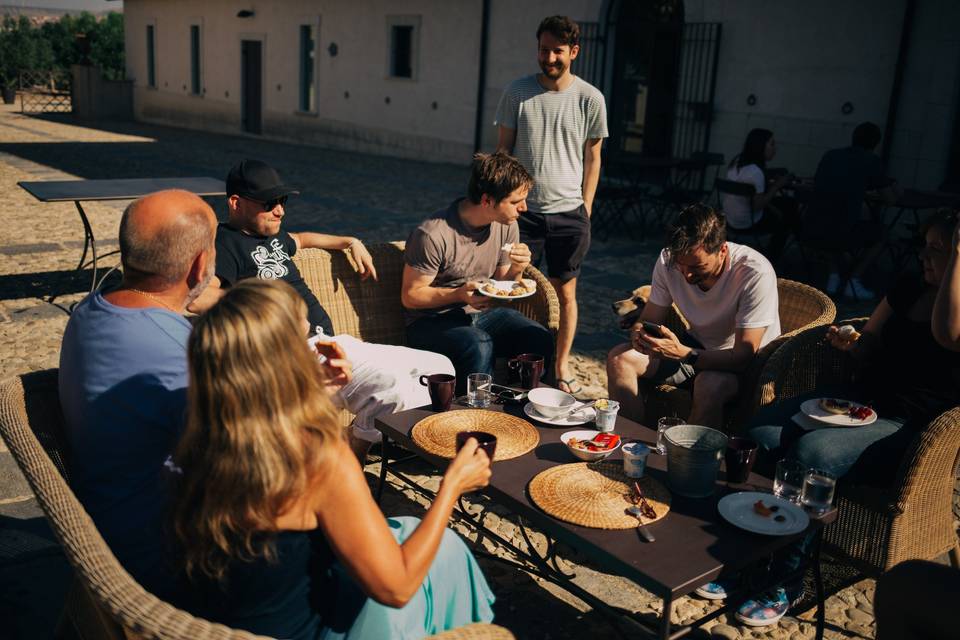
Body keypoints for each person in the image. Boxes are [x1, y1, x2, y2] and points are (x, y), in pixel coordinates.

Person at [172, 280, 495, 639]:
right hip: (318, 628)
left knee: (408, 530)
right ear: (285, 360)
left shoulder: (197, 429)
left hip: (239, 616)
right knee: (446, 551)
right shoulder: (316, 453)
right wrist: (451, 486)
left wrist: (316, 392)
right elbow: (397, 588)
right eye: (302, 341)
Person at [720, 209, 960, 627]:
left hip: (910, 428)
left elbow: (949, 335)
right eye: (926, 245)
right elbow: (869, 343)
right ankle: (745, 552)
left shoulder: (953, 313)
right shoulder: (907, 288)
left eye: (938, 249)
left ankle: (787, 578)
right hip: (860, 401)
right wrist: (851, 345)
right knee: (759, 432)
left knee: (815, 454)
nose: (924, 255)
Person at [189, 159, 455, 459]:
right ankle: (355, 449)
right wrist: (267, 307)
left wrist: (349, 241)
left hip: (332, 343)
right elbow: (199, 298)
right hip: (296, 354)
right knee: (391, 390)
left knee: (441, 367)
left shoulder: (273, 234)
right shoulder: (225, 243)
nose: (280, 210)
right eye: (269, 203)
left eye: (282, 200)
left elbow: (302, 239)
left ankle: (359, 434)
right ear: (236, 203)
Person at [58, 190, 218, 600]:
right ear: (201, 264)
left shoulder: (91, 309)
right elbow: (253, 470)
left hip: (103, 524)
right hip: (169, 560)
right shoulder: (182, 356)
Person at [495, 15, 608, 396]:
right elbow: (503, 153)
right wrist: (501, 205)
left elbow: (594, 159)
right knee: (511, 287)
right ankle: (512, 364)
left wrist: (587, 208)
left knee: (566, 294)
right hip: (523, 214)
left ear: (573, 52)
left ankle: (559, 367)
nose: (549, 57)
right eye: (544, 50)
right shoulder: (516, 93)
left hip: (569, 214)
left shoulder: (591, 98)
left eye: (557, 51)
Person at [606, 203, 781, 429]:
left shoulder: (754, 273)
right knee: (620, 359)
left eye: (697, 267)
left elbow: (743, 357)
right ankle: (630, 446)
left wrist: (685, 354)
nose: (687, 275)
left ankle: (685, 459)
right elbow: (650, 319)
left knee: (709, 385)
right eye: (681, 265)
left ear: (723, 251)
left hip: (744, 365)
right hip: (695, 348)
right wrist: (641, 333)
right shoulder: (668, 260)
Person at [402, 152, 555, 393]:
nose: (524, 208)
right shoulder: (432, 234)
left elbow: (504, 284)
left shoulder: (507, 225)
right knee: (479, 344)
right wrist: (458, 295)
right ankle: (473, 414)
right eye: (516, 202)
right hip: (430, 322)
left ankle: (523, 403)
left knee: (538, 336)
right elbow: (411, 296)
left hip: (480, 315)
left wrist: (517, 269)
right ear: (487, 201)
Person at [805, 121, 900, 299]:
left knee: (831, 221)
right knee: (882, 233)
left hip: (811, 227)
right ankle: (853, 280)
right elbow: (890, 199)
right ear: (875, 144)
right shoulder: (870, 161)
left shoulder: (831, 156)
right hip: (842, 232)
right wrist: (892, 185)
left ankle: (833, 276)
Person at [721, 128, 797, 260]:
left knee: (784, 206)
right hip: (747, 222)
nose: (775, 148)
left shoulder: (736, 162)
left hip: (729, 219)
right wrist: (777, 185)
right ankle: (773, 257)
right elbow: (758, 206)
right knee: (789, 211)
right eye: (772, 144)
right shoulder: (756, 172)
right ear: (761, 146)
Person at [932, 215, 960, 350]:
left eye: (935, 249)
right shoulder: (911, 287)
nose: (921, 255)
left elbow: (948, 336)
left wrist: (957, 252)